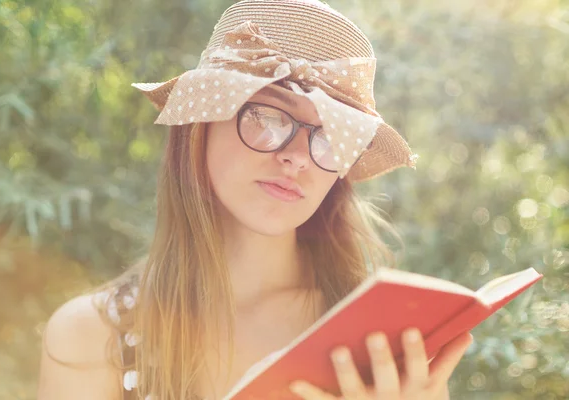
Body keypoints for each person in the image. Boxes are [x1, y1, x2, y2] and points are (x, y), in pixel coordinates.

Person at [37, 0, 473, 399]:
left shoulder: (379, 343)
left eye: (330, 134)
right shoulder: (90, 338)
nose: (298, 158)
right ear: (200, 123)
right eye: (267, 116)